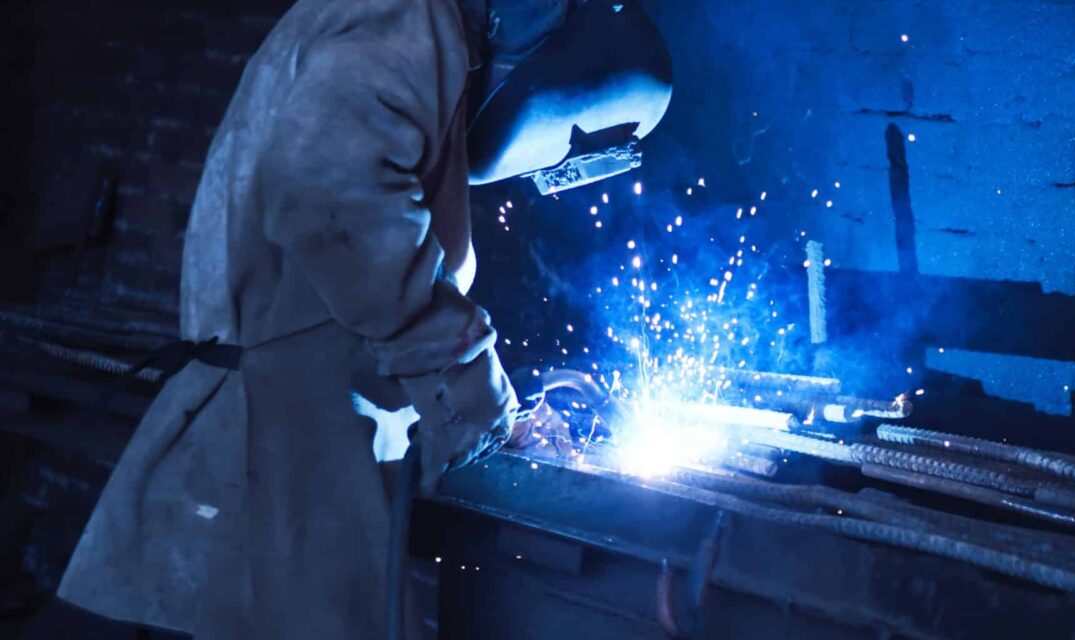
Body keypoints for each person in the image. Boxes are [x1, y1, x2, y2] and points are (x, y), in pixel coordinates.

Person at [49, 0, 667, 637]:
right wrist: (478, 400)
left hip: (300, 424)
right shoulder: (407, 16)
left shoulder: (410, 26)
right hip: (295, 440)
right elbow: (340, 197)